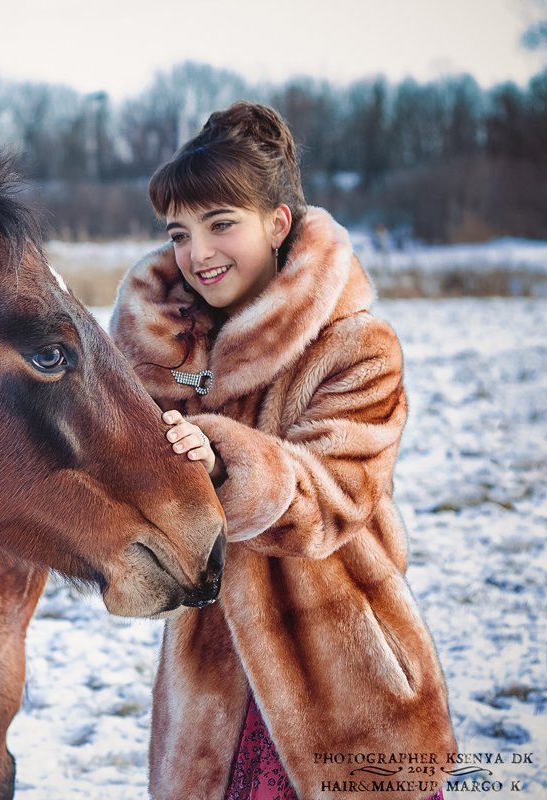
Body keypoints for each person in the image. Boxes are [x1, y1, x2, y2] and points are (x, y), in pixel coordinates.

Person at [110, 102, 456, 800]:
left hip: (342, 694)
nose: (197, 254)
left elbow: (332, 500)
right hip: (210, 702)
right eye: (179, 233)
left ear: (277, 224)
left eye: (221, 225)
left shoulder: (357, 347)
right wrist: (143, 345)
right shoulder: (181, 358)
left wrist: (222, 461)